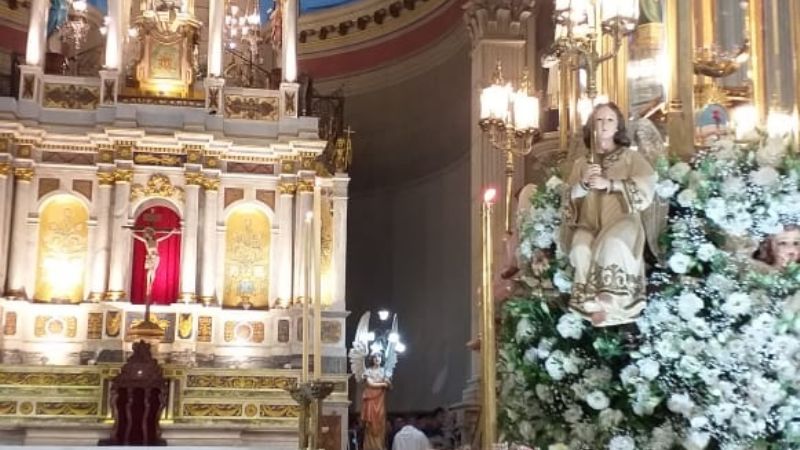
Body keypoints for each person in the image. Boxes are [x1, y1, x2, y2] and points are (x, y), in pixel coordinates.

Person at [563, 102, 657, 327]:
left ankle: (612, 299)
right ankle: (590, 301)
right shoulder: (581, 163)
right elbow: (567, 199)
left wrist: (611, 184)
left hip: (623, 219)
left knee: (613, 243)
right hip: (589, 223)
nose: (603, 125)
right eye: (598, 120)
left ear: (618, 128)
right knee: (579, 249)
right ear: (591, 126)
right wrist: (583, 184)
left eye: (609, 120)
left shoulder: (630, 158)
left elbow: (647, 185)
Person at [361, 353, 391, 450]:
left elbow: (390, 386)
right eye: (375, 357)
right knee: (370, 424)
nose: (377, 359)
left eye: (379, 357)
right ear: (372, 359)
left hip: (380, 401)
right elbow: (371, 384)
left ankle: (380, 446)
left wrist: (388, 383)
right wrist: (383, 384)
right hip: (371, 401)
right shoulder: (368, 371)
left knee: (380, 422)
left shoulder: (385, 371)